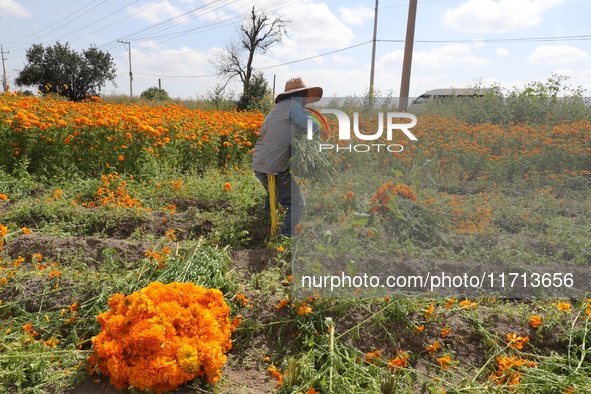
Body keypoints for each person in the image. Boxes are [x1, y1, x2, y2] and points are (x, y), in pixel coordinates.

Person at [252, 77, 322, 237]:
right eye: (305, 95)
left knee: (273, 194)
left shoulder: (277, 108)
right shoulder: (293, 106)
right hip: (273, 167)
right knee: (297, 203)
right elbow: (314, 125)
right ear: (301, 94)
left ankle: (263, 223)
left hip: (259, 164)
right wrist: (313, 146)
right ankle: (287, 236)